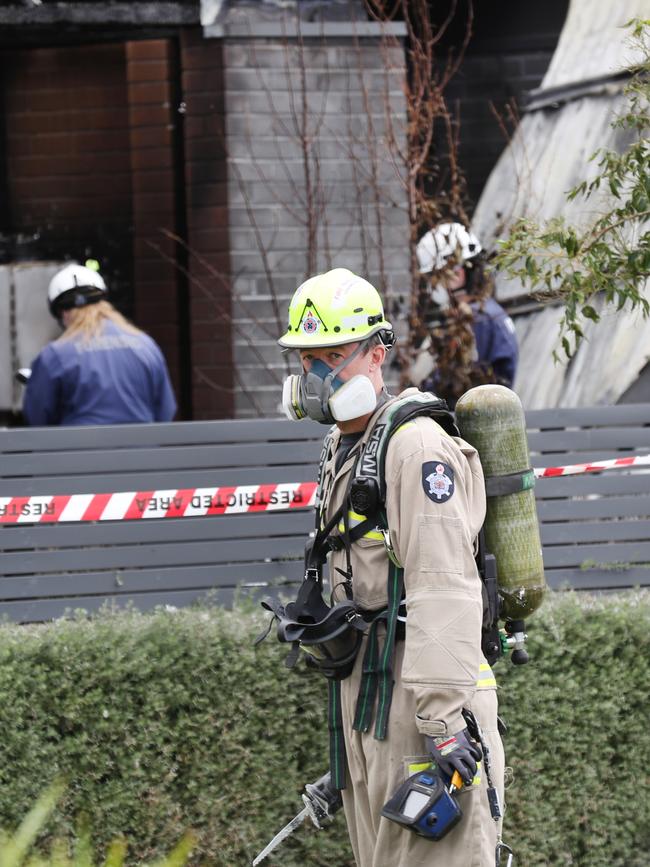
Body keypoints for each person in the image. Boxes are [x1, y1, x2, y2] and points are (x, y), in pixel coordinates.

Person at [275, 268, 505, 867]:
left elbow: (444, 587)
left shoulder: (416, 447)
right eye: (306, 359)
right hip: (373, 699)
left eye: (330, 356)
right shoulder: (347, 446)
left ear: (377, 353)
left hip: (426, 702)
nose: (315, 376)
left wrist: (445, 719)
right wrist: (351, 757)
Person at [23, 261, 177, 426]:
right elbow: (165, 411)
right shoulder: (146, 345)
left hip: (79, 451)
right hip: (144, 450)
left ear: (63, 313)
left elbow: (38, 418)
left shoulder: (56, 355)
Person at [413, 222, 518, 404]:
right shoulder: (488, 314)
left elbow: (459, 383)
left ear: (457, 274)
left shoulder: (478, 320)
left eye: (434, 276)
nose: (432, 286)